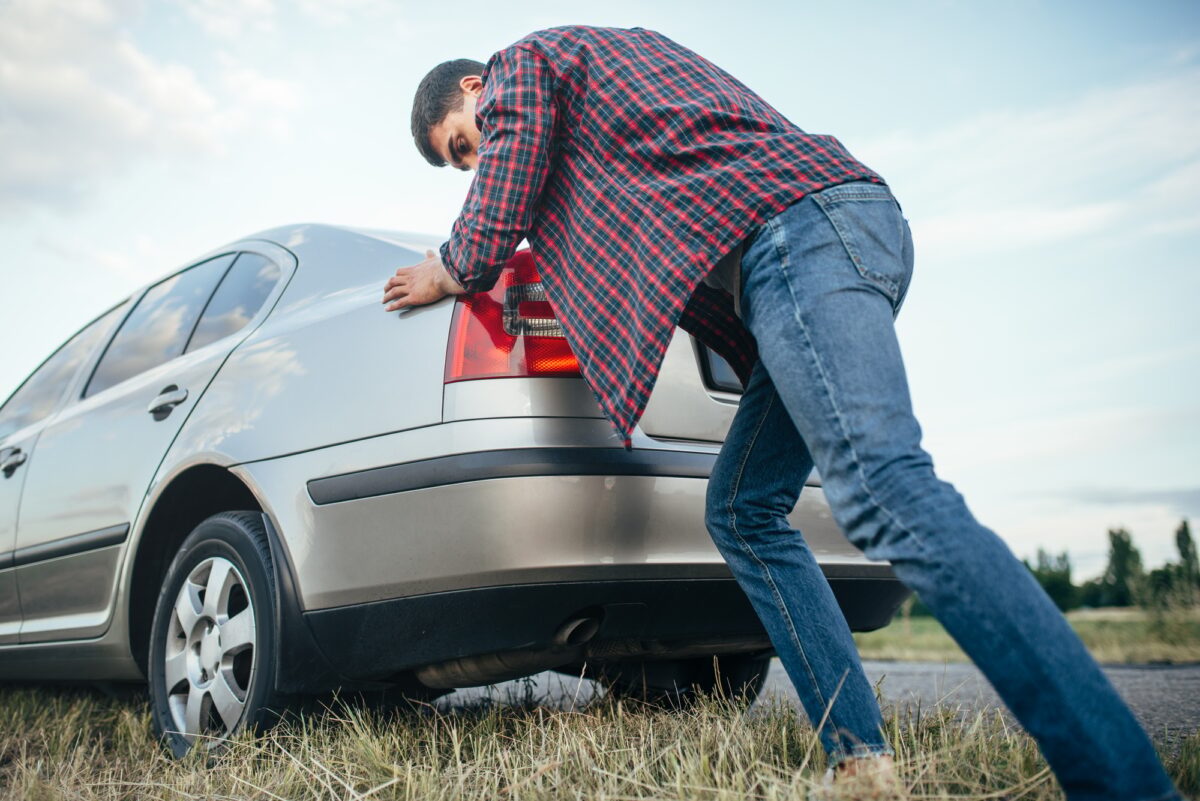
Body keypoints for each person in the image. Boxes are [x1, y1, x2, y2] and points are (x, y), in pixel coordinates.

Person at [383, 25, 1181, 800]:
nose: (476, 163)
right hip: (808, 250)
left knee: (884, 490)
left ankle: (1124, 783)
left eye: (463, 145)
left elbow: (508, 180)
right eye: (463, 163)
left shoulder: (524, 66)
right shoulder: (587, 109)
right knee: (741, 508)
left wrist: (453, 268)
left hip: (802, 233)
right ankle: (861, 764)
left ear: (474, 90)